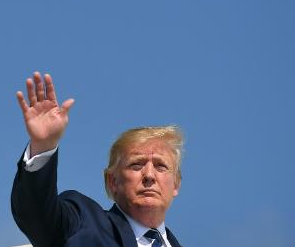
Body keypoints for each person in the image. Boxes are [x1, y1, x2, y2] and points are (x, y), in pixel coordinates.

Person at [11, 72, 183, 247]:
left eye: (161, 166)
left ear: (176, 184)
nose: (149, 175)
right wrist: (43, 144)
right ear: (112, 181)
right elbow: (38, 218)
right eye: (136, 165)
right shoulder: (82, 224)